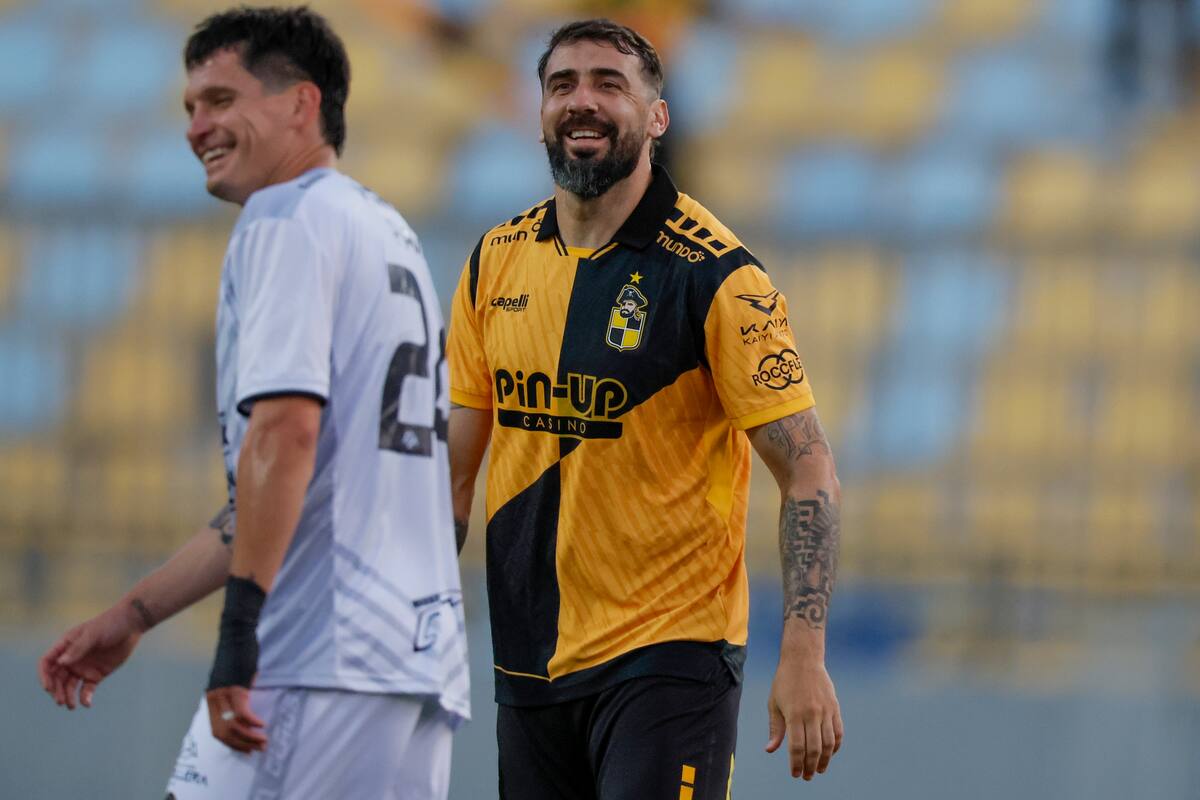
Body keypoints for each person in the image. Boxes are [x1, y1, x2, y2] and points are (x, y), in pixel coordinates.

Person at [37, 7, 467, 798]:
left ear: (302, 104)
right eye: (190, 108)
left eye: (221, 100)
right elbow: (288, 482)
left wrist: (239, 638)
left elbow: (286, 435)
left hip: (312, 654)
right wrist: (135, 613)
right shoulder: (383, 229)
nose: (198, 126)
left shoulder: (285, 220)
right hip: (409, 661)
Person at [447, 17, 843, 800]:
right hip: (529, 662)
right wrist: (414, 618)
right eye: (562, 85)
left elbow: (809, 471)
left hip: (670, 658)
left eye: (609, 84)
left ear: (657, 117)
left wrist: (803, 651)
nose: (582, 102)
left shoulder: (720, 278)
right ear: (538, 113)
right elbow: (453, 474)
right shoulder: (495, 262)